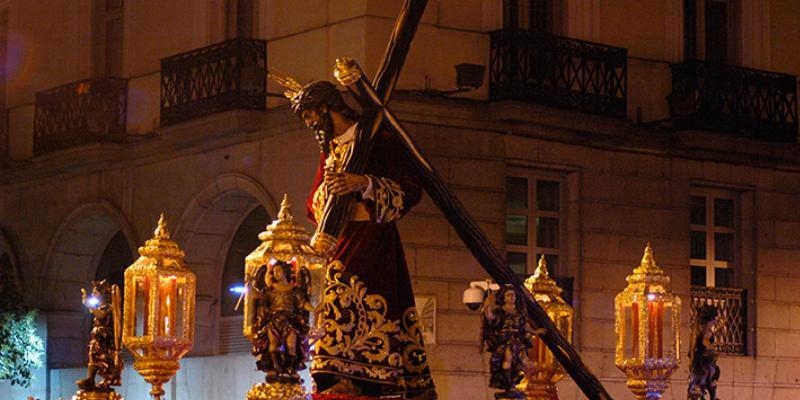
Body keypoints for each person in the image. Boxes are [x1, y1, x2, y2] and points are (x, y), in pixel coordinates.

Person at [290, 80, 436, 399]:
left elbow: (409, 188)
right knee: (331, 307)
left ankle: (366, 380)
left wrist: (363, 184)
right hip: (339, 237)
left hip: (373, 237)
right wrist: (327, 192)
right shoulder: (329, 148)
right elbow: (313, 202)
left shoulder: (377, 138)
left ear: (326, 109)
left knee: (365, 302)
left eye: (312, 118)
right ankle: (337, 378)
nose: (312, 126)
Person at [250, 259, 314, 381]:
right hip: (273, 321)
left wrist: (315, 309)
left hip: (290, 321)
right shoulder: (270, 291)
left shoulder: (295, 291)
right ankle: (276, 367)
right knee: (273, 344)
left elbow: (303, 304)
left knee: (291, 345)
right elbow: (262, 304)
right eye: (274, 271)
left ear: (285, 272)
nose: (276, 274)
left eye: (278, 271)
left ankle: (290, 367)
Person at [480, 285, 537, 398]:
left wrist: (536, 332)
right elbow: (491, 318)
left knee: (523, 360)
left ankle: (516, 381)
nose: (511, 297)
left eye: (513, 295)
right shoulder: (500, 311)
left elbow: (524, 327)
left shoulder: (519, 312)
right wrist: (487, 305)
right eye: (508, 295)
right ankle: (508, 384)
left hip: (517, 340)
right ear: (504, 298)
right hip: (505, 340)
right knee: (508, 359)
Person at [76, 280, 122, 391]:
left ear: (102, 294)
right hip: (97, 337)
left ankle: (106, 380)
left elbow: (101, 315)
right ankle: (90, 379)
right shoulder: (99, 307)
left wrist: (89, 306)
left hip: (104, 339)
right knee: (92, 355)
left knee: (103, 359)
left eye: (96, 292)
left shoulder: (108, 307)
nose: (94, 294)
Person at [688, 304, 720, 400]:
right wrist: (711, 349)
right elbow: (703, 342)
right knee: (708, 371)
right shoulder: (703, 331)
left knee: (713, 371)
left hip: (705, 357)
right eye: (714, 319)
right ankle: (701, 389)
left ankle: (710, 392)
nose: (715, 321)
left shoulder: (705, 330)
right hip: (702, 358)